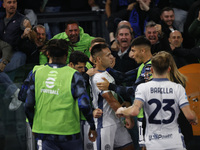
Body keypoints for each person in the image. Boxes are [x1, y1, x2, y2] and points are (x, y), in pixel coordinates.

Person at [116, 51, 198, 150]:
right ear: (169, 68)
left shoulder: (143, 87)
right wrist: (194, 118)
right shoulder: (178, 86)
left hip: (154, 141)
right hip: (175, 139)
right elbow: (189, 115)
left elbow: (134, 111)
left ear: (151, 69)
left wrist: (122, 110)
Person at [25, 39, 97, 150]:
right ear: (66, 55)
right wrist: (92, 126)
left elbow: (28, 104)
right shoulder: (74, 75)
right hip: (68, 132)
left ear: (48, 54)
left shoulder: (37, 73)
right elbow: (84, 104)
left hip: (45, 132)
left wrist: (32, 125)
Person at [97, 36, 153, 148]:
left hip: (150, 116)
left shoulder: (150, 68)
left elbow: (134, 91)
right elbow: (124, 77)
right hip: (143, 115)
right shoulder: (143, 65)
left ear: (143, 51)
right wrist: (106, 67)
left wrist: (110, 86)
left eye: (133, 51)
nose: (131, 55)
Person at [90, 43, 134, 150]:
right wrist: (127, 116)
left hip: (116, 120)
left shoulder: (106, 73)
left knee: (129, 147)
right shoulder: (98, 77)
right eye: (108, 55)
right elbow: (111, 100)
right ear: (99, 59)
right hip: (105, 124)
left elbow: (114, 95)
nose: (111, 57)